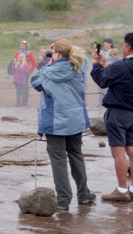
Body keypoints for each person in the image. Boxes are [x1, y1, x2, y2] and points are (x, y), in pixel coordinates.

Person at [31, 39, 93, 209]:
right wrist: (66, 49)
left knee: (58, 161)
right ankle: (84, 194)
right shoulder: (79, 67)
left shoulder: (48, 73)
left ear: (57, 54)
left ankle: (64, 200)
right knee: (76, 156)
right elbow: (85, 57)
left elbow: (35, 81)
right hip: (75, 120)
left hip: (55, 122)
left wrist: (49, 62)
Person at [90, 33, 133, 202]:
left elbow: (102, 80)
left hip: (117, 113)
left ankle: (122, 190)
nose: (122, 47)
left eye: (123, 45)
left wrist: (96, 64)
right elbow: (120, 76)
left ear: (129, 47)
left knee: (118, 152)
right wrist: (105, 64)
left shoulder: (122, 66)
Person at [10, 41, 34, 107]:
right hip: (18, 72)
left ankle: (24, 102)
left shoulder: (29, 53)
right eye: (21, 45)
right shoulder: (18, 52)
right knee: (18, 88)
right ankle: (19, 102)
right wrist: (15, 63)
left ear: (26, 46)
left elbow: (34, 63)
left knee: (25, 87)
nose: (21, 46)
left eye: (23, 45)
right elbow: (14, 59)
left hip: (26, 72)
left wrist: (30, 71)